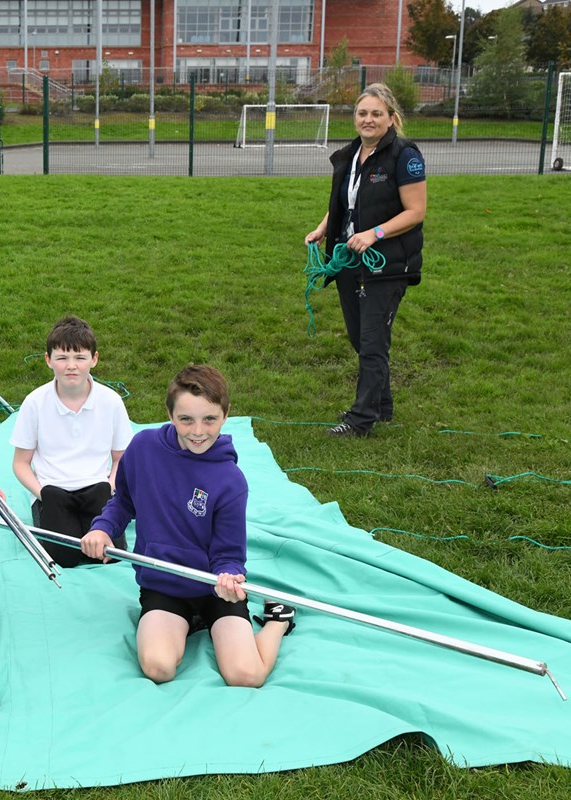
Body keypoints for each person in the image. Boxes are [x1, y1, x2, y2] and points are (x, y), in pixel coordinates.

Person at [80, 365, 295, 687]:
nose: (198, 430)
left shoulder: (230, 480)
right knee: (157, 668)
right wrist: (102, 528)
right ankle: (185, 623)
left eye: (209, 419)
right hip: (164, 585)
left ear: (226, 415)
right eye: (186, 419)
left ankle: (279, 620)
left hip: (214, 588)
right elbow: (124, 500)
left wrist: (229, 576)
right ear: (169, 414)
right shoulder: (143, 448)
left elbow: (229, 553)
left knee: (246, 675)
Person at [304, 83, 426, 438]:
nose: (368, 120)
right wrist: (323, 228)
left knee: (373, 343)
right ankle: (381, 405)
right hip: (347, 262)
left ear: (391, 118)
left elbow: (415, 212)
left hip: (385, 265)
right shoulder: (350, 155)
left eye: (376, 114)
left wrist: (376, 234)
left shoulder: (404, 155)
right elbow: (344, 202)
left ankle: (360, 421)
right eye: (362, 113)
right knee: (361, 338)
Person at [9, 315, 133, 568]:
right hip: (52, 491)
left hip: (98, 488)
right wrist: (42, 492)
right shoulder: (35, 402)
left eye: (80, 357)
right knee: (63, 558)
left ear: (94, 359)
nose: (71, 366)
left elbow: (122, 459)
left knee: (108, 555)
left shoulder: (110, 401)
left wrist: (110, 487)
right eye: (62, 358)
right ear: (48, 360)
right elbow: (21, 463)